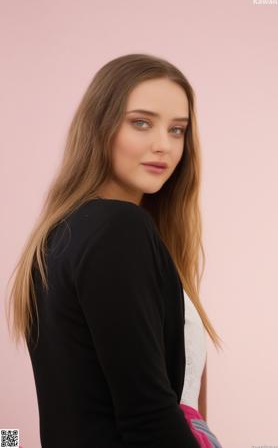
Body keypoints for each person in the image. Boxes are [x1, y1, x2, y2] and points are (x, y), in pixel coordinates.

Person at [7, 53, 224, 447]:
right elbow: (148, 415)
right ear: (99, 127)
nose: (164, 145)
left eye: (178, 130)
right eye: (141, 123)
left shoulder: (62, 234)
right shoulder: (118, 228)